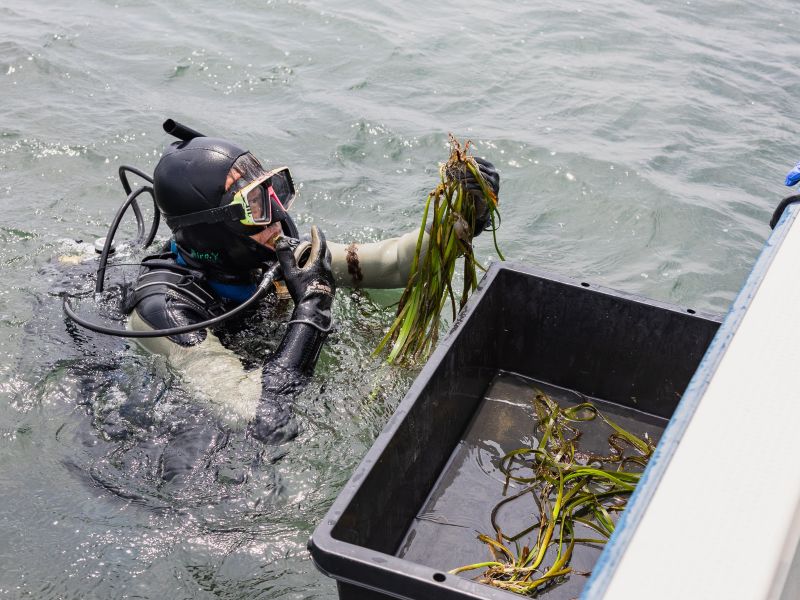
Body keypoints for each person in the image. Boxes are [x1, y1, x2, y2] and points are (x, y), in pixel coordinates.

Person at [124, 125, 500, 446]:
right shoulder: (164, 312)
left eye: (274, 192)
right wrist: (313, 303)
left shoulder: (265, 251)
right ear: (213, 229)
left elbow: (398, 264)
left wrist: (463, 216)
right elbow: (260, 416)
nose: (278, 215)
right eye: (255, 206)